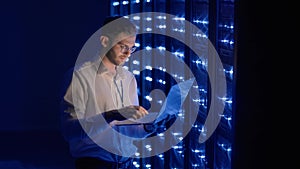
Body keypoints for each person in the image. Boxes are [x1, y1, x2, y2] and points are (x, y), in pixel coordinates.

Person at [60, 16, 156, 169]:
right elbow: (69, 131)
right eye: (123, 46)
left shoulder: (128, 78)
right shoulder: (80, 76)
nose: (128, 53)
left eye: (132, 48)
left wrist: (149, 126)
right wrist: (111, 115)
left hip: (127, 164)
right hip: (95, 165)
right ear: (104, 41)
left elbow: (128, 129)